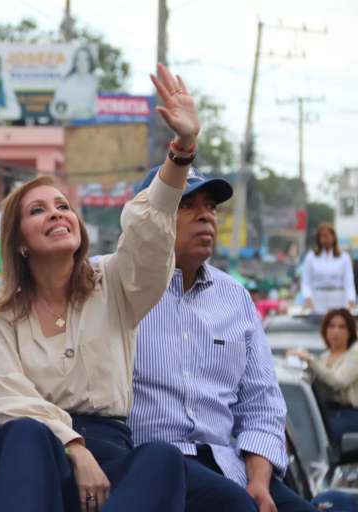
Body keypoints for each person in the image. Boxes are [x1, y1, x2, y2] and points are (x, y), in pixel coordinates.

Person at [0, 64, 198, 512]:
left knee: (165, 460)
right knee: (26, 433)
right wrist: (74, 447)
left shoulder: (112, 282)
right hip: (30, 459)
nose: (57, 214)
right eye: (38, 211)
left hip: (110, 450)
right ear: (18, 243)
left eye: (62, 206)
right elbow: (6, 395)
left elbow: (149, 240)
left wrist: (182, 151)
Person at [128, 167, 316, 511]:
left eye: (211, 206)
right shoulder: (115, 286)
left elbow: (262, 405)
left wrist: (259, 483)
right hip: (153, 470)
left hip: (233, 469)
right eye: (187, 205)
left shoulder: (237, 298)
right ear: (150, 217)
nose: (205, 216)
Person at [288, 308, 358, 443]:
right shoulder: (324, 357)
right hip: (324, 411)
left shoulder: (354, 353)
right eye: (331, 326)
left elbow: (338, 382)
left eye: (342, 327)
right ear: (325, 330)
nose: (336, 331)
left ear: (350, 331)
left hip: (349, 414)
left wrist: (310, 360)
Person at [302, 223, 356, 314]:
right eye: (322, 236)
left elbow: (349, 282)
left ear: (334, 237)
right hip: (318, 297)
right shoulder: (311, 257)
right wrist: (308, 297)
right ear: (318, 239)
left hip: (338, 297)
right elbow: (306, 281)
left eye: (327, 236)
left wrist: (351, 299)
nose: (325, 239)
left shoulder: (344, 257)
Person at [50, 46, 98, 121]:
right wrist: (72, 112)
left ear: (90, 62)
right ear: (75, 62)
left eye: (86, 59)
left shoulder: (95, 83)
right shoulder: (66, 83)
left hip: (92, 126)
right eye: (79, 59)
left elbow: (97, 108)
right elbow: (57, 109)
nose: (82, 63)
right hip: (72, 126)